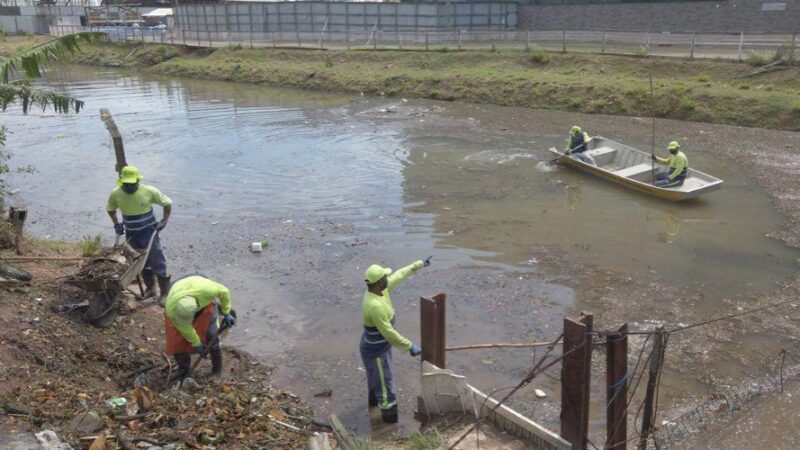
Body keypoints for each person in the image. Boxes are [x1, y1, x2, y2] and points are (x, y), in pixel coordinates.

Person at [360, 256, 431, 423]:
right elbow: (388, 332)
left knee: (376, 381)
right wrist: (409, 346)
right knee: (386, 390)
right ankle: (388, 427)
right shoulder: (375, 305)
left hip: (375, 346)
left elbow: (399, 275)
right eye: (385, 277)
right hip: (376, 352)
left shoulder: (379, 291)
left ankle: (373, 414)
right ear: (378, 282)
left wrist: (418, 264)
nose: (387, 279)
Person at [106, 165, 172, 304]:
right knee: (140, 261)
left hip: (149, 232)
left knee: (157, 260)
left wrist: (164, 221)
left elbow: (167, 203)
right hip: (132, 233)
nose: (129, 187)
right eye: (126, 184)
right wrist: (116, 224)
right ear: (121, 182)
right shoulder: (116, 194)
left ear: (137, 180)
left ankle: (165, 294)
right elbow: (110, 208)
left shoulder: (149, 191)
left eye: (132, 184)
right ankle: (150, 289)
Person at [164, 275, 236, 380]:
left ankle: (216, 370)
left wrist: (226, 312)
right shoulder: (171, 310)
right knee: (176, 340)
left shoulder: (208, 289)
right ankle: (183, 371)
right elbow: (185, 328)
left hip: (202, 297)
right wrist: (197, 343)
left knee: (212, 335)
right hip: (179, 288)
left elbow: (224, 291)